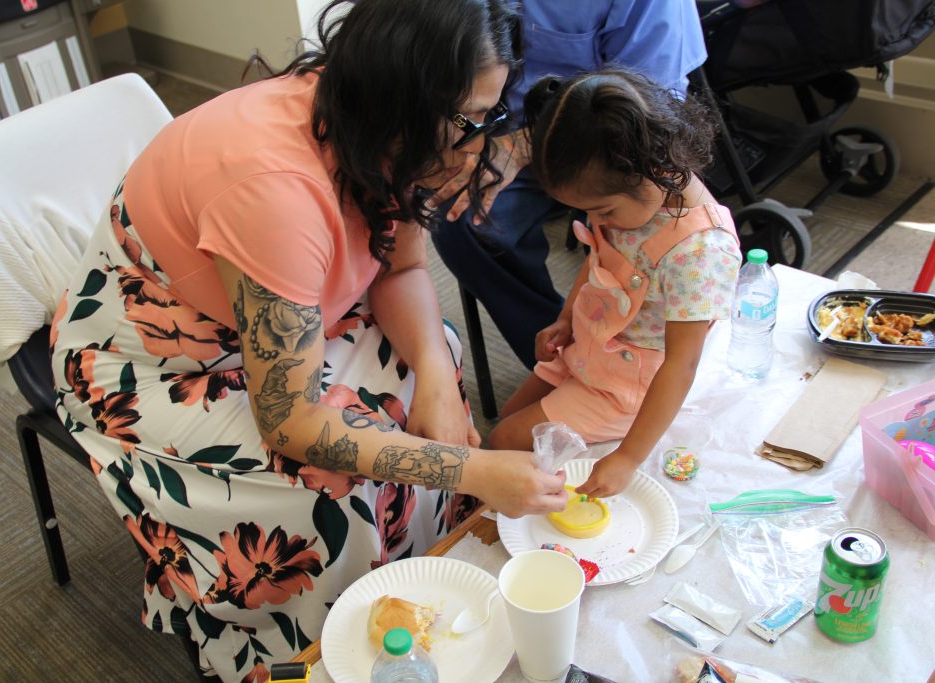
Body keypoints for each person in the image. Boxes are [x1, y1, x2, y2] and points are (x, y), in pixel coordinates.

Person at [49, 1, 568, 680]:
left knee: (431, 362)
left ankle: (418, 585)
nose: (479, 145)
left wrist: (440, 382)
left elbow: (402, 269)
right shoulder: (276, 190)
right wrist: (468, 469)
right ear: (405, 99)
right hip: (153, 362)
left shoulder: (384, 128)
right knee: (329, 485)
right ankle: (323, 645)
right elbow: (290, 423)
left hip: (275, 317)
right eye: (471, 120)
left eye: (491, 116)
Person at [487, 67, 742, 497]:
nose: (597, 221)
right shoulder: (631, 193)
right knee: (509, 419)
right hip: (591, 348)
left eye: (603, 211)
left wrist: (628, 458)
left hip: (628, 386)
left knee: (505, 442)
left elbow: (682, 366)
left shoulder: (700, 253)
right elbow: (598, 259)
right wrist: (566, 318)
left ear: (654, 167)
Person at [428, 0, 709, 370]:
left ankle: (611, 351)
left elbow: (653, 102)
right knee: (459, 213)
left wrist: (523, 145)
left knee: (630, 230)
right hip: (496, 123)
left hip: (608, 139)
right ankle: (564, 353)